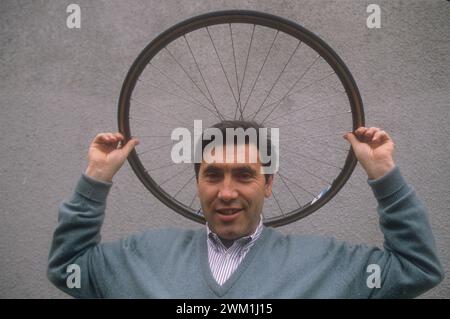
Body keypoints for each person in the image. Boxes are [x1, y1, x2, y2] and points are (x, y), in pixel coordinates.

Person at [47, 121, 444, 298]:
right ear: (197, 182)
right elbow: (69, 268)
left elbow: (418, 269)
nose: (226, 192)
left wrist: (383, 175)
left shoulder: (326, 263)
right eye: (213, 174)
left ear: (269, 184)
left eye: (244, 175)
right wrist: (96, 177)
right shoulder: (144, 257)